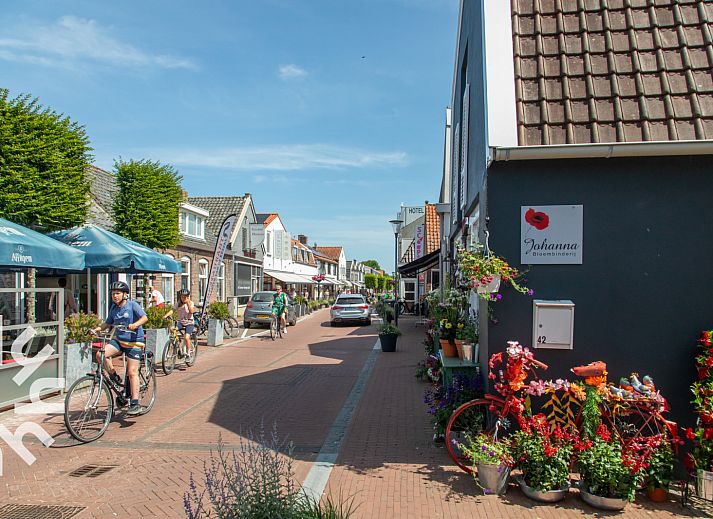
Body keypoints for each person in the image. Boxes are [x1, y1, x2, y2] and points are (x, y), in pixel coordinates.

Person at [92, 281, 148, 416]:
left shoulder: (132, 305)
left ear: (125, 294)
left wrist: (135, 325)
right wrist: (96, 329)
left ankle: (135, 403)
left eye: (117, 293)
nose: (114, 296)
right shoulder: (114, 308)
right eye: (113, 294)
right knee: (100, 355)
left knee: (132, 372)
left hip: (134, 342)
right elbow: (108, 323)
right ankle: (114, 376)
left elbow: (145, 317)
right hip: (119, 341)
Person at [164, 288, 196, 357]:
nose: (183, 298)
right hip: (181, 322)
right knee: (172, 329)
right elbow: (172, 310)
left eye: (185, 297)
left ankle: (188, 352)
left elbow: (191, 311)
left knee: (187, 337)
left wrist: (187, 303)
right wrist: (166, 315)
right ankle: (177, 343)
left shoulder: (191, 303)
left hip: (189, 323)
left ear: (188, 297)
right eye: (182, 297)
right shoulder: (178, 303)